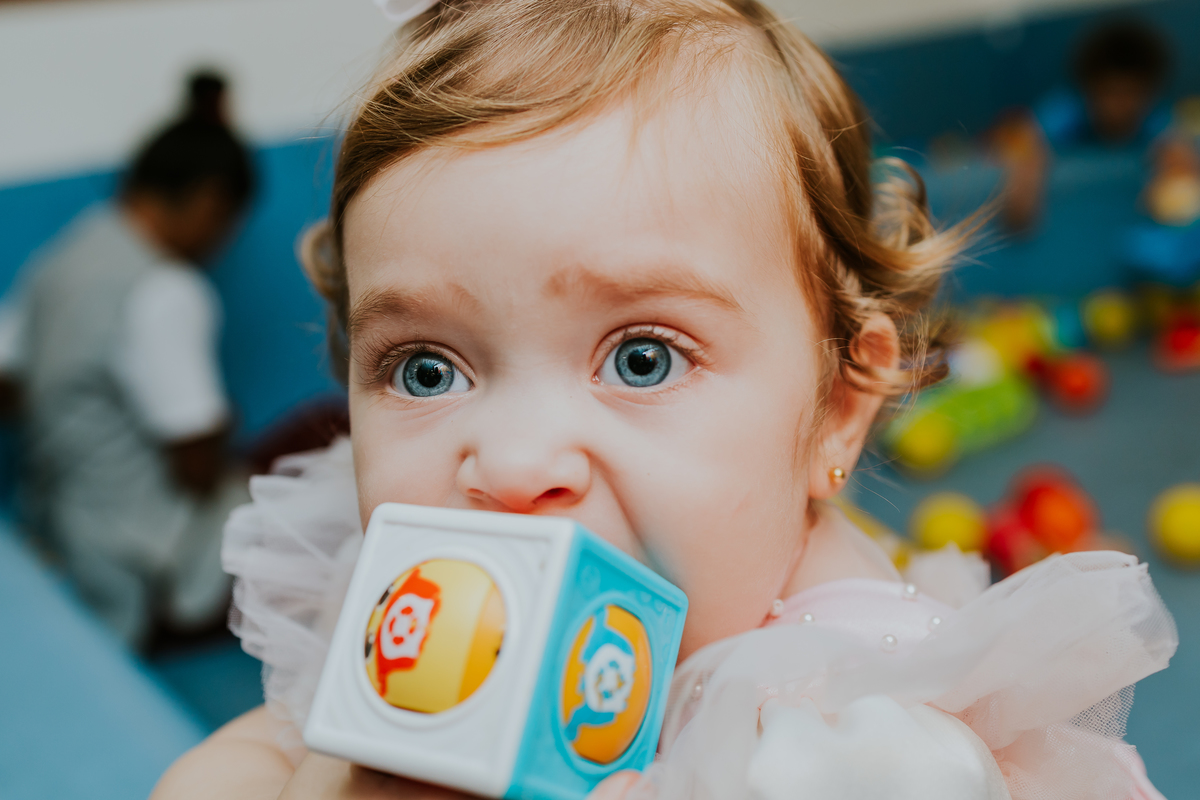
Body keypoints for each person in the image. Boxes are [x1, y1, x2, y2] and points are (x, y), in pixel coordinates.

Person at [153, 2, 1175, 798]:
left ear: (837, 408)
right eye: (426, 368)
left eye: (642, 358)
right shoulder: (416, 600)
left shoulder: (854, 734)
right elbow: (266, 736)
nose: (511, 464)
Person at [0, 72, 255, 647]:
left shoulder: (65, 256)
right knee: (312, 455)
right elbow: (193, 465)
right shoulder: (165, 289)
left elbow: (9, 386)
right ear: (212, 201)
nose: (222, 243)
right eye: (226, 226)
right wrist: (216, 430)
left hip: (64, 531)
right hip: (144, 567)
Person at [993, 19, 1173, 231]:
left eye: (1131, 95)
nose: (1120, 108)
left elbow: (1174, 146)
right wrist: (1025, 179)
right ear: (1089, 92)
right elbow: (1031, 138)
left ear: (1149, 95)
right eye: (1111, 94)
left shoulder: (1156, 120)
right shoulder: (1066, 112)